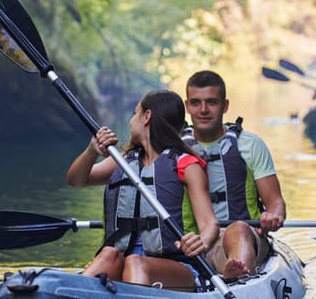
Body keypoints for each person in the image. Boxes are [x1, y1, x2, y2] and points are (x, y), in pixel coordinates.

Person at [66, 89, 219, 292]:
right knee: (108, 254)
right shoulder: (124, 161)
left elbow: (210, 224)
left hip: (178, 267)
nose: (131, 121)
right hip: (124, 261)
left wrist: (202, 241)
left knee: (135, 262)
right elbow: (76, 180)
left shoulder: (186, 165)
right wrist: (92, 151)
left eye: (134, 113)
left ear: (146, 117)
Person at [182, 70, 286, 279]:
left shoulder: (250, 145)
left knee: (238, 229)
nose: (203, 110)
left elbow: (276, 202)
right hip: (192, 242)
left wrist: (273, 215)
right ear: (187, 106)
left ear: (225, 105)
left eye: (211, 102)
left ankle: (237, 275)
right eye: (196, 103)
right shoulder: (173, 147)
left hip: (245, 235)